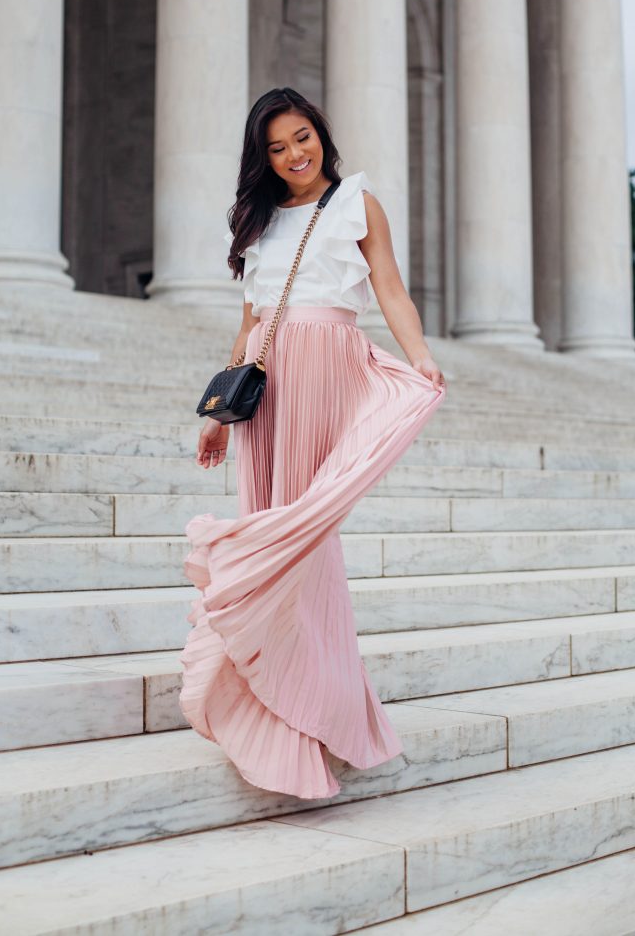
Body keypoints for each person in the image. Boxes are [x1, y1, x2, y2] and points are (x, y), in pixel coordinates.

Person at [180, 86, 447, 800]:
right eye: (277, 147)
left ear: (321, 136)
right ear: (262, 158)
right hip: (268, 381)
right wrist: (219, 411)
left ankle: (316, 707)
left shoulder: (359, 202)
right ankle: (272, 703)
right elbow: (250, 321)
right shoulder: (258, 222)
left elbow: (389, 289)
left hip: (328, 368)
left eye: (302, 138)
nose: (295, 154)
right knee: (271, 518)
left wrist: (417, 355)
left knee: (304, 534)